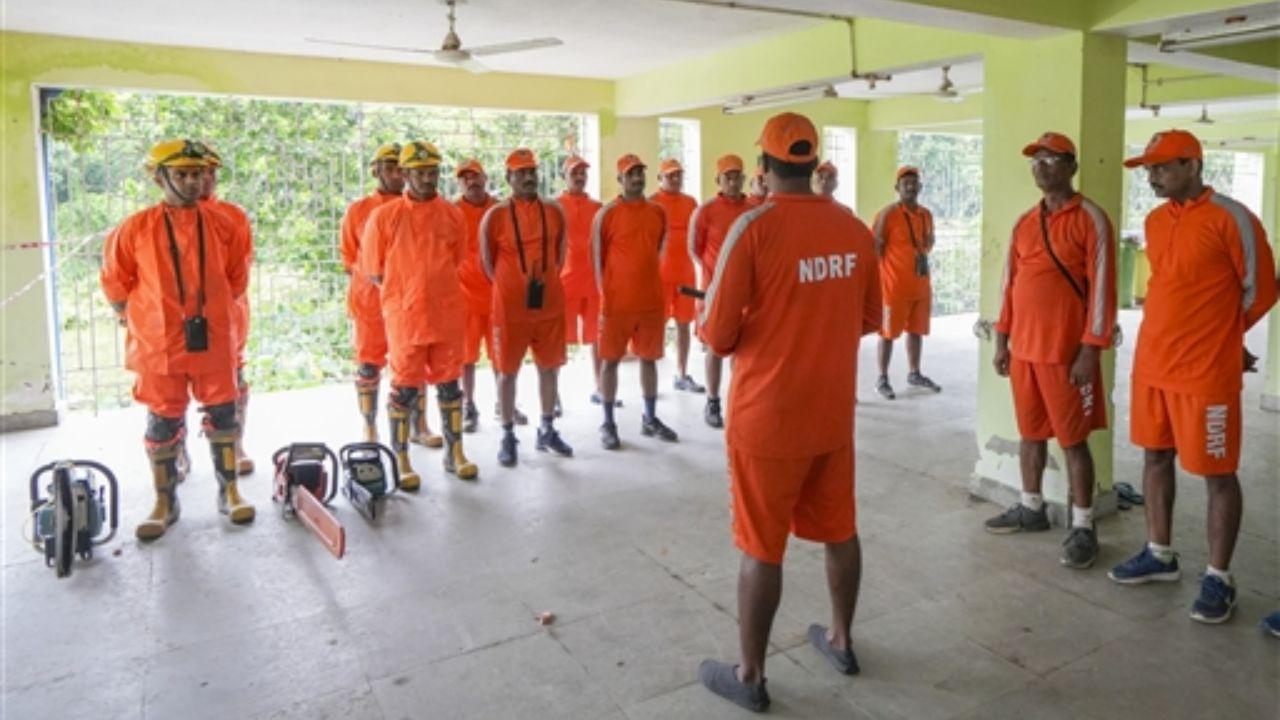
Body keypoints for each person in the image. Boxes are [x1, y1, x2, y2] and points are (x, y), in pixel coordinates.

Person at [697, 113, 881, 712]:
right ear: (811, 163)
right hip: (831, 414)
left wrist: (762, 323)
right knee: (839, 528)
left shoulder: (751, 228)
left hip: (768, 419)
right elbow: (868, 320)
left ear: (765, 167)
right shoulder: (853, 230)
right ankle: (842, 639)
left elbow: (717, 337)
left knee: (761, 546)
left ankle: (750, 675)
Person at [1109, 129, 1277, 624]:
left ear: (1192, 165)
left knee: (1217, 474)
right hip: (1154, 367)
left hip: (1206, 373)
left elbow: (1262, 289)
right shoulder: (1156, 221)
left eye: (1161, 167)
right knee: (1155, 456)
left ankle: (1218, 578)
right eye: (1148, 168)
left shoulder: (1233, 218)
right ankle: (1159, 553)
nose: (1152, 176)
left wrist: (1226, 336)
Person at [100, 139, 254, 540]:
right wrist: (138, 319)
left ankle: (230, 491)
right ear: (160, 176)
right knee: (162, 419)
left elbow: (237, 278)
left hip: (215, 338)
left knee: (223, 414)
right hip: (158, 345)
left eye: (198, 173)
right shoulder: (134, 228)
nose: (192, 181)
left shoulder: (226, 222)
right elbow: (116, 283)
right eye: (182, 174)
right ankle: (164, 501)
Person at [986, 132, 1116, 570]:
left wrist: (1089, 350)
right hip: (1023, 351)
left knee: (1074, 442)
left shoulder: (1091, 219)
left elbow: (1102, 291)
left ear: (1071, 167)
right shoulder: (1025, 222)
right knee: (1030, 434)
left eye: (1050, 159)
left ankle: (1082, 525)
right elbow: (1009, 285)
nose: (1041, 167)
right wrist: (1002, 339)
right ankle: (1031, 507)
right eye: (1035, 160)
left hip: (1066, 355)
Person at [360, 140, 479, 489]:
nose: (429, 179)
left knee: (449, 385)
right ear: (406, 173)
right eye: (421, 173)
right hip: (405, 316)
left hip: (446, 312)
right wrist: (405, 292)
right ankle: (401, 458)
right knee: (404, 389)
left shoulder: (452, 214)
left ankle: (455, 453)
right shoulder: (384, 216)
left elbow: (456, 260)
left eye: (433, 172)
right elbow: (374, 270)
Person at [480, 148, 574, 466]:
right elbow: (487, 264)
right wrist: (513, 284)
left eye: (532, 171)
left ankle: (547, 428)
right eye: (520, 173)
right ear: (508, 178)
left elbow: (560, 257)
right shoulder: (495, 216)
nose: (528, 177)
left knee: (550, 367)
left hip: (549, 304)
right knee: (507, 372)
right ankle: (507, 433)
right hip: (509, 309)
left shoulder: (555, 211)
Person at [591, 153, 679, 449]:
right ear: (620, 180)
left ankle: (650, 418)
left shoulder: (657, 212)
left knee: (649, 360)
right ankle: (608, 422)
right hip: (616, 304)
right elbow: (597, 261)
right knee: (610, 362)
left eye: (640, 173)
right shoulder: (606, 214)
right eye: (631, 174)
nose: (637, 178)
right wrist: (607, 298)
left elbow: (657, 251)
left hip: (651, 302)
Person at [339, 142, 405, 442]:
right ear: (375, 170)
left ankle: (419, 425)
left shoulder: (417, 207)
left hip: (409, 299)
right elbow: (349, 257)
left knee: (411, 363)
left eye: (399, 168)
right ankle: (370, 425)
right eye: (388, 167)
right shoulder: (359, 209)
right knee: (368, 365)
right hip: (369, 300)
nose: (395, 174)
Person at [197, 144, 255, 476]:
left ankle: (235, 444)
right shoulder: (152, 221)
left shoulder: (233, 216)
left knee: (233, 381)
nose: (202, 180)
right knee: (170, 396)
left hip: (228, 316)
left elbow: (241, 269)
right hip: (173, 323)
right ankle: (177, 455)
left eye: (208, 172)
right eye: (191, 173)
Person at [688, 153, 751, 428]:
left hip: (747, 293)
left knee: (743, 347)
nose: (734, 181)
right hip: (713, 291)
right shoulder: (706, 211)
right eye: (728, 177)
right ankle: (712, 401)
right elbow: (695, 248)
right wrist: (716, 275)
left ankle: (739, 400)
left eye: (737, 176)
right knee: (714, 345)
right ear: (718, 180)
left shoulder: (753, 209)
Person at [454, 157, 517, 432]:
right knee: (466, 358)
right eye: (465, 178)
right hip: (464, 297)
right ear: (460, 183)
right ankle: (469, 405)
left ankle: (504, 404)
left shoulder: (501, 209)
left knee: (501, 355)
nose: (471, 182)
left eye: (475, 176)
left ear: (486, 179)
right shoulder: (452, 211)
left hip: (498, 296)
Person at [872, 166, 941, 399]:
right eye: (905, 183)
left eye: (914, 182)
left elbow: (928, 244)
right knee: (887, 333)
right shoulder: (887, 215)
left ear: (920, 187)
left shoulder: (926, 214)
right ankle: (882, 378)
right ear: (897, 189)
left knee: (916, 330)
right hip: (893, 287)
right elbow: (876, 248)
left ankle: (915, 372)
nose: (910, 187)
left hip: (920, 285)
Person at [557, 156, 615, 408]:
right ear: (565, 177)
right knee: (557, 343)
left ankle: (601, 387)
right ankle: (553, 396)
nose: (579, 177)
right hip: (565, 283)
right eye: (574, 173)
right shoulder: (555, 206)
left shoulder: (598, 208)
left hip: (593, 284)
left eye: (583, 172)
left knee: (598, 339)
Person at [650, 158, 704, 393]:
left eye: (678, 175)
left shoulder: (691, 202)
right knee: (655, 327)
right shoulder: (652, 203)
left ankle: (682, 374)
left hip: (685, 274)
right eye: (670, 175)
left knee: (684, 325)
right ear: (660, 179)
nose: (675, 179)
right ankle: (650, 378)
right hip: (658, 276)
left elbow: (700, 236)